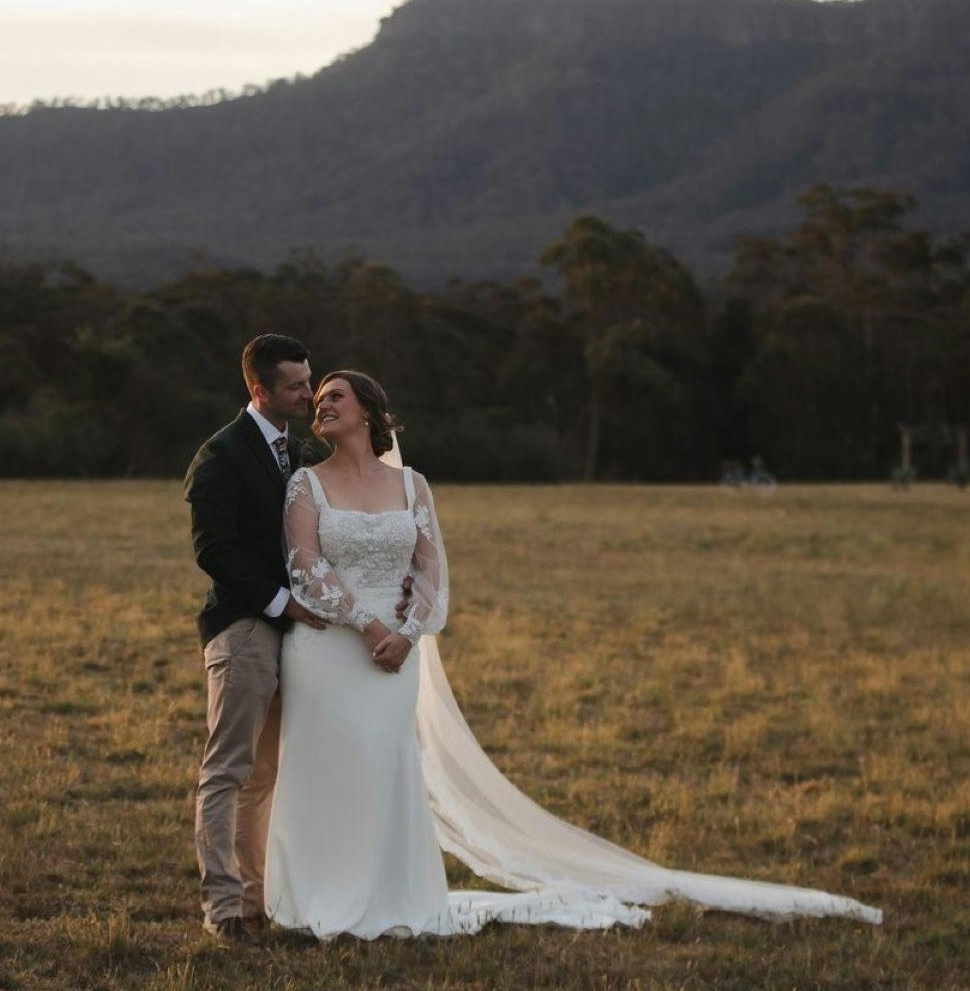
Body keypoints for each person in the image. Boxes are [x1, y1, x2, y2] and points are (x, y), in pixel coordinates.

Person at [262, 370, 882, 940]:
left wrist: (409, 630)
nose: (323, 405)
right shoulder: (306, 483)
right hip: (330, 645)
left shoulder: (412, 486)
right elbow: (305, 566)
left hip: (396, 653)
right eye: (317, 401)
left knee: (385, 766)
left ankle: (388, 897)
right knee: (326, 767)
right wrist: (371, 625)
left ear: (369, 412)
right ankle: (317, 895)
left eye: (335, 396)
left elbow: (431, 570)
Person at [183, 334, 327, 938]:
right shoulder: (221, 454)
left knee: (266, 775)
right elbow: (211, 549)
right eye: (295, 384)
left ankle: (256, 898)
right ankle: (222, 907)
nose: (308, 393)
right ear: (259, 390)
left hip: (293, 634)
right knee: (228, 770)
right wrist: (280, 604)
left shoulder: (294, 451)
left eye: (308, 380)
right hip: (245, 627)